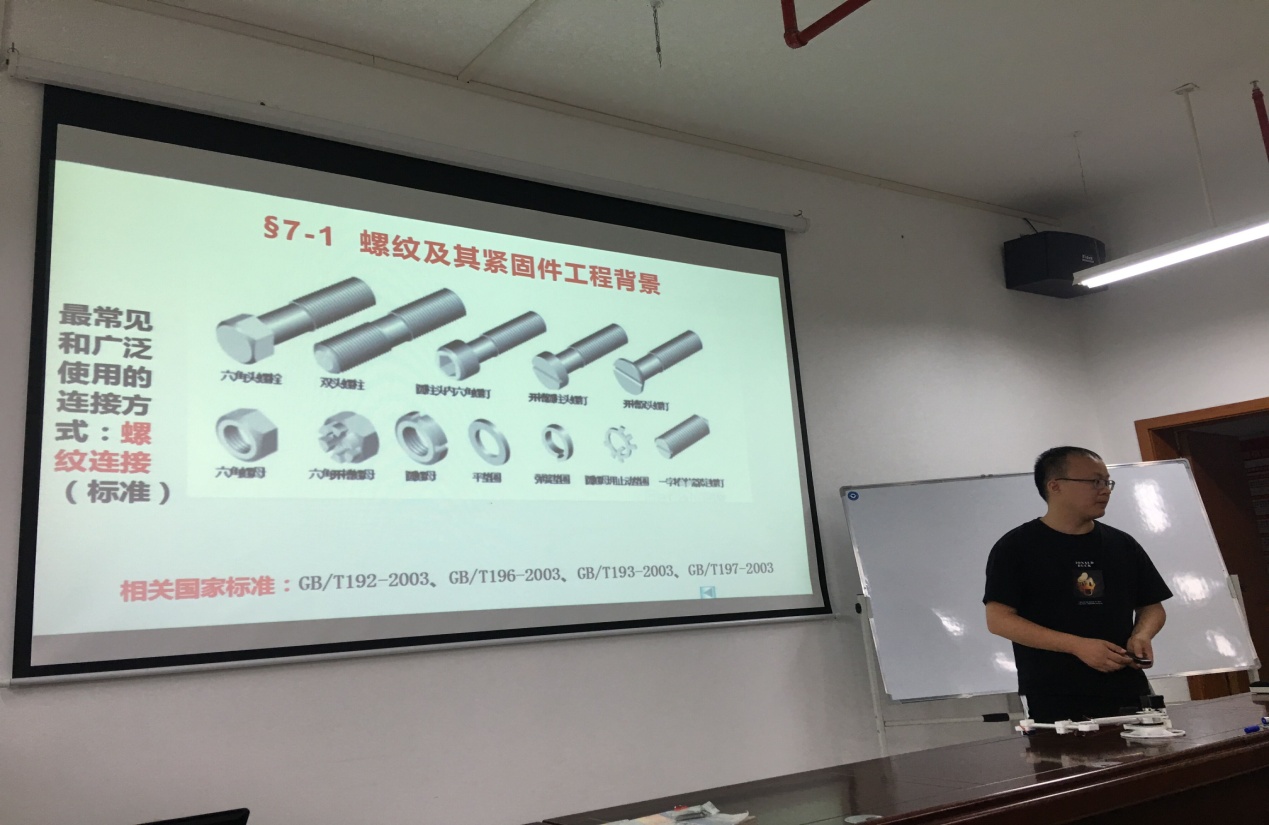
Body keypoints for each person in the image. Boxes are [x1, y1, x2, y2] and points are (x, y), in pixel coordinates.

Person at [983, 446, 1173, 723]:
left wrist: (1142, 635)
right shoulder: (1016, 547)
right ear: (1055, 486)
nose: (1105, 490)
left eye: (1107, 482)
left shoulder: (1122, 544)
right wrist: (1077, 646)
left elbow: (1152, 607)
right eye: (1094, 481)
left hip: (1128, 690)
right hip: (1056, 698)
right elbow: (998, 620)